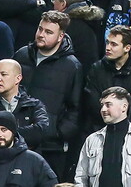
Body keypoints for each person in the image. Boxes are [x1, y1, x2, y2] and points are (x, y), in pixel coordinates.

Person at [12, 10, 83, 177]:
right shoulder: (22, 55)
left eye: (49, 32)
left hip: (51, 147)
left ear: (61, 36)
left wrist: (58, 134)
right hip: (17, 141)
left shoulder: (72, 66)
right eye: (40, 29)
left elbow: (76, 108)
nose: (41, 35)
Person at [75, 86, 131, 187]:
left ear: (124, 107)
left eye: (108, 105)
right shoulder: (92, 140)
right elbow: (81, 177)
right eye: (102, 105)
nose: (103, 109)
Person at [0, 59, 50, 152]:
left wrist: (4, 136)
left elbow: (40, 132)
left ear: (18, 78)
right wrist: (25, 134)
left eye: (3, 74)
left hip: (27, 163)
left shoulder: (34, 106)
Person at [84, 26, 131, 129]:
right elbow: (92, 102)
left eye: (113, 44)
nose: (108, 48)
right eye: (108, 42)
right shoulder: (97, 69)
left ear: (127, 48)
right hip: (100, 127)